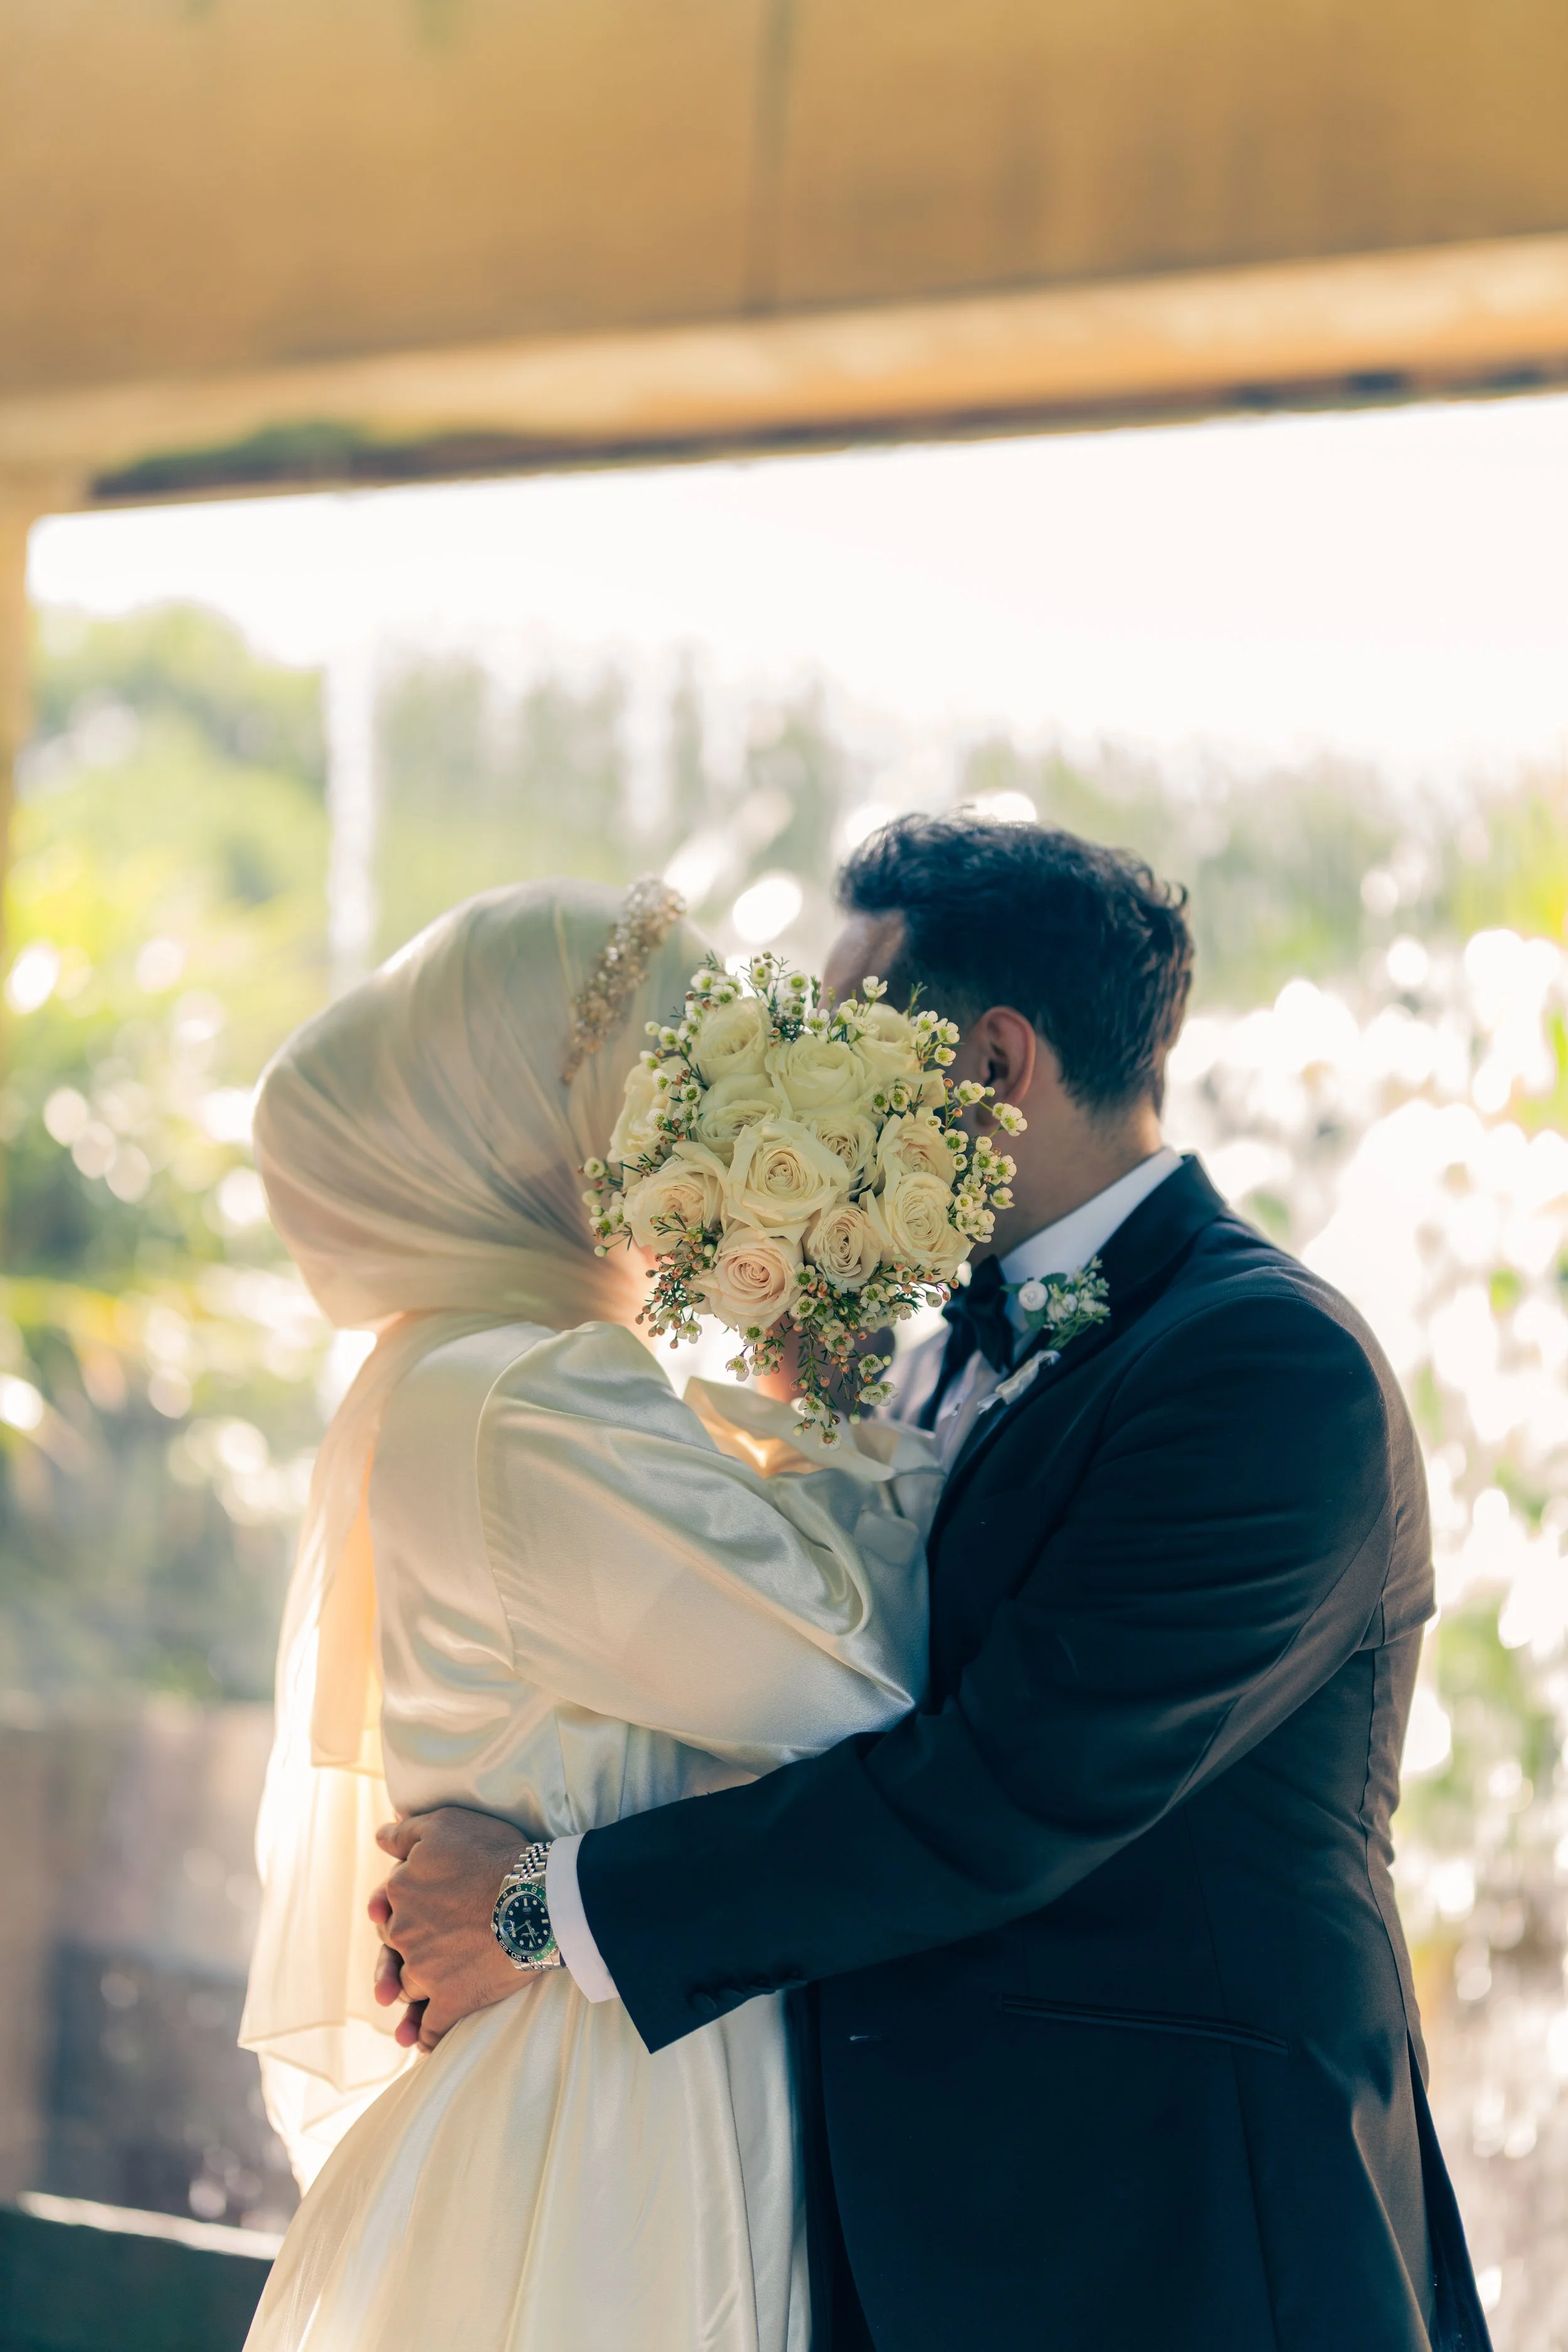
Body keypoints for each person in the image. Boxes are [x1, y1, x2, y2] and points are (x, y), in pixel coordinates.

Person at [378, 816, 1494, 2352]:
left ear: (987, 1065)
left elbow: (997, 1795)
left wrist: (531, 1912)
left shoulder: (1263, 1367)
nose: (798, 1083)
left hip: (1180, 2248)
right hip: (930, 2249)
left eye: (841, 1037)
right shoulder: (926, 1355)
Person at [236, 878, 941, 2352]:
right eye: (654, 1079)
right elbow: (858, 1675)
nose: (672, 1127)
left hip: (566, 2066)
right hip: (618, 2120)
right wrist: (820, 1352)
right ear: (522, 1118)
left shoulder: (445, 1373)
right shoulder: (527, 1396)